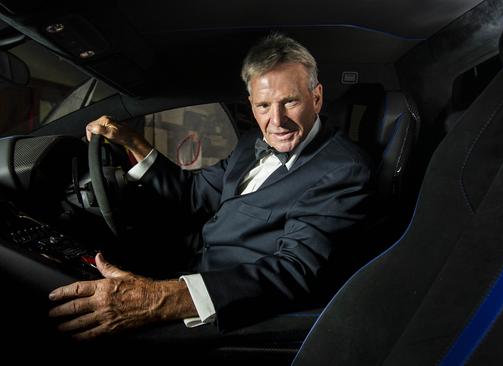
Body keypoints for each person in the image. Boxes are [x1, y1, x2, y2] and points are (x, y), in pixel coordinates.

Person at [48, 33, 373, 339]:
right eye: (263, 106)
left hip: (226, 309)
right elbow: (193, 194)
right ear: (251, 105)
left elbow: (293, 271)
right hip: (190, 267)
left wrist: (157, 299)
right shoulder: (251, 143)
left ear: (316, 98)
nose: (276, 120)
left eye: (289, 102)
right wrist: (132, 141)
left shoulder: (343, 169)